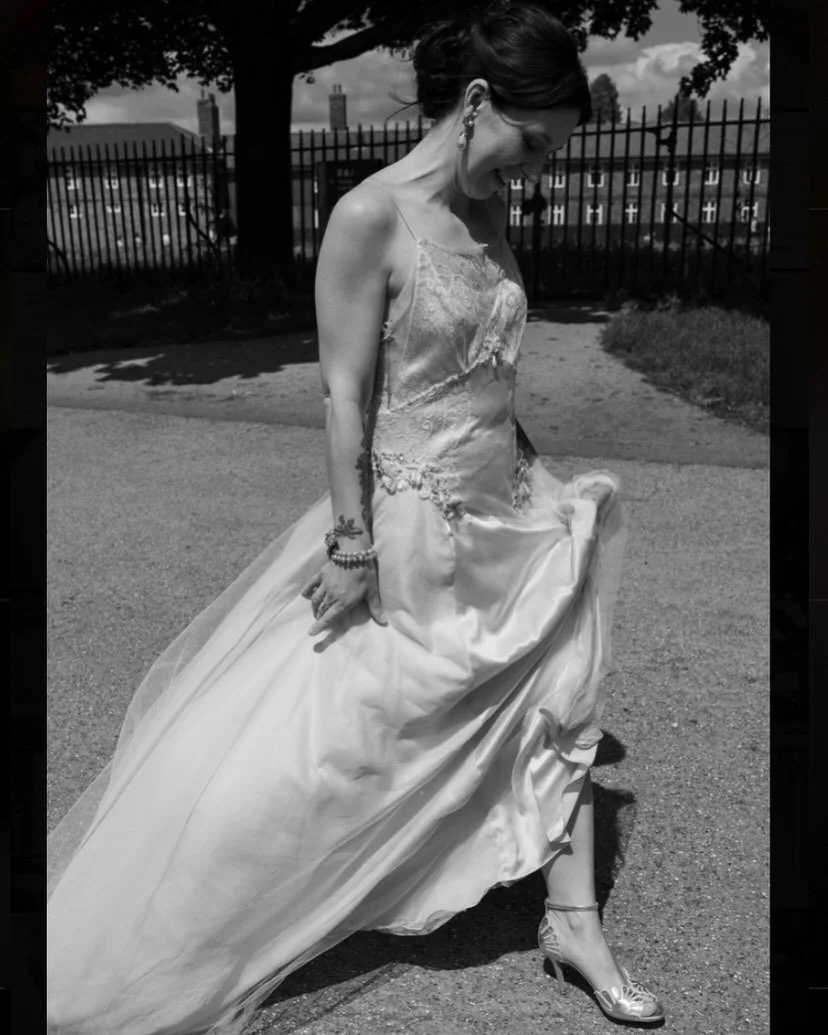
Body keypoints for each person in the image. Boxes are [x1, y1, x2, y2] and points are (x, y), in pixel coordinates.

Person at [47, 2, 663, 1031]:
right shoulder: (370, 214)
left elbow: (488, 370)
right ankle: (198, 914)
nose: (536, 174)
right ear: (476, 103)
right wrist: (351, 540)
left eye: (551, 153)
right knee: (347, 733)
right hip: (413, 514)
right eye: (532, 144)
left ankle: (573, 919)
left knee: (561, 684)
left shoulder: (488, 210)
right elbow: (345, 393)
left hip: (508, 498)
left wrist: (534, 470)